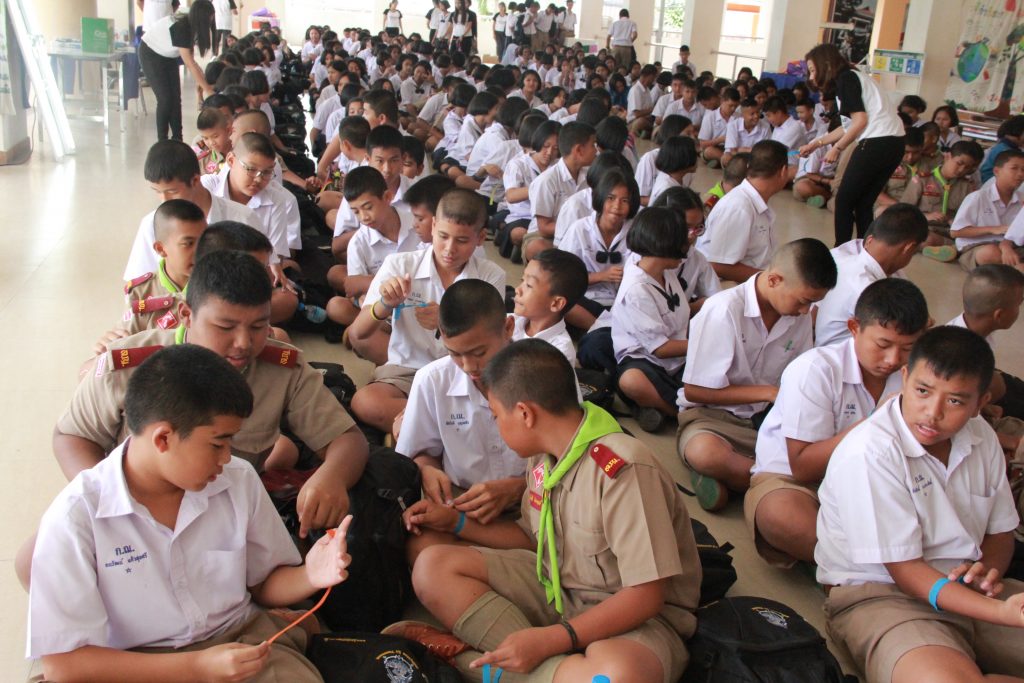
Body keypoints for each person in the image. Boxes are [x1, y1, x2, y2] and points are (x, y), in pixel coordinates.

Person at [27, 345, 354, 682]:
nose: (226, 457)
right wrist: (197, 667)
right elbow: (64, 666)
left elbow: (263, 584)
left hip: (238, 642)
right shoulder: (76, 517)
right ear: (163, 439)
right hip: (131, 665)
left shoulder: (237, 480)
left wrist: (309, 575)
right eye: (217, 444)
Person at [396, 339, 702, 683]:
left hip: (633, 617)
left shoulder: (623, 469)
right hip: (556, 585)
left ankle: (478, 666)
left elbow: (646, 596)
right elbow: (532, 539)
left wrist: (554, 639)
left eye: (496, 416)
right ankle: (549, 669)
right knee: (432, 566)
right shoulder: (543, 458)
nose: (497, 425)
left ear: (525, 414)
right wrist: (456, 522)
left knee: (619, 676)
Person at [815, 326, 1024, 683]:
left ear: (981, 403)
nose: (932, 412)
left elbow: (1001, 531)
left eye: (955, 401)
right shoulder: (870, 451)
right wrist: (999, 613)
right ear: (905, 378)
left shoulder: (982, 438)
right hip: (886, 597)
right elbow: (906, 571)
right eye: (922, 391)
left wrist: (986, 574)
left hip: (969, 591)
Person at [747, 278, 929, 567]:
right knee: (779, 514)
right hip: (798, 483)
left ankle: (849, 567)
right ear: (854, 327)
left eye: (908, 348)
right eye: (883, 344)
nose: (893, 359)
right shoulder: (815, 369)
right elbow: (803, 467)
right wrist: (876, 421)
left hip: (875, 482)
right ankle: (865, 569)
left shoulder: (917, 375)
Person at [678, 239, 838, 511]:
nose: (806, 311)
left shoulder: (798, 316)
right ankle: (775, 486)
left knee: (819, 457)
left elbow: (800, 372)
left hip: (767, 418)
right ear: (774, 280)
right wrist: (767, 393)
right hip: (713, 417)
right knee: (705, 452)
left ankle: (741, 481)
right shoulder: (723, 309)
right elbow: (695, 391)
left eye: (812, 304)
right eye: (803, 301)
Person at [348, 189, 505, 431]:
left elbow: (493, 340)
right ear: (432, 227)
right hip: (408, 371)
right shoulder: (400, 265)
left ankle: (417, 425)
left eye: (462, 241)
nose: (449, 249)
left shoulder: (491, 276)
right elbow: (358, 333)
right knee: (366, 402)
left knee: (508, 402)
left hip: (466, 370)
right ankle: (452, 425)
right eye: (443, 236)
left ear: (481, 237)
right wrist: (385, 304)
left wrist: (446, 322)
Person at [396, 280, 526, 562]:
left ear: (508, 328)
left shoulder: (542, 370)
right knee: (422, 550)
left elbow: (568, 458)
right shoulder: (431, 380)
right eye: (454, 353)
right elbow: (420, 452)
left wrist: (519, 487)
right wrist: (427, 469)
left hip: (535, 498)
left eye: (479, 353)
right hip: (463, 501)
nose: (469, 366)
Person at [799, 43, 906, 245]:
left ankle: (842, 250)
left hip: (877, 141)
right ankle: (865, 250)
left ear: (826, 64)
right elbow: (848, 126)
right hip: (894, 143)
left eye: (813, 70)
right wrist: (816, 143)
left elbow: (860, 122)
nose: (811, 77)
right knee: (863, 203)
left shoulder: (846, 79)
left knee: (844, 201)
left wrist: (837, 148)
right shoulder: (854, 77)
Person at [124, 140, 260, 282]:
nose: (165, 200)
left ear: (195, 180)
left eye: (172, 191)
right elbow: (141, 286)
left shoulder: (243, 218)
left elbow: (258, 276)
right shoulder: (152, 224)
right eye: (158, 192)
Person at [612, 207, 691, 432]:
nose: (688, 245)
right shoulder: (636, 289)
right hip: (648, 360)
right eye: (683, 240)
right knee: (632, 380)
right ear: (665, 244)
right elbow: (660, 349)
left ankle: (650, 409)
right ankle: (680, 415)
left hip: (680, 355)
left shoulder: (666, 272)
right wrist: (704, 344)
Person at [814, 203, 928, 347]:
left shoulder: (855, 257)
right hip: (842, 354)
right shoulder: (865, 286)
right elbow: (904, 329)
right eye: (913, 253)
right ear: (908, 248)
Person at [105, 200, 207, 348]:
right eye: (188, 244)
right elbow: (125, 343)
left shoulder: (217, 284)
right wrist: (110, 343)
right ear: (160, 249)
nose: (200, 251)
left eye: (204, 241)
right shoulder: (141, 292)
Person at [695, 140, 789, 283]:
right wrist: (768, 279)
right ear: (783, 171)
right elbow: (720, 266)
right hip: (726, 288)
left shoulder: (756, 202)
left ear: (749, 166)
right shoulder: (738, 207)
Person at [559, 169, 638, 331]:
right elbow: (562, 277)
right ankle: (604, 329)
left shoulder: (636, 232)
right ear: (600, 198)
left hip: (621, 302)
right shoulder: (579, 229)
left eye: (624, 200)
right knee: (563, 303)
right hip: (585, 300)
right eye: (611, 198)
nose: (617, 206)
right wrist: (601, 276)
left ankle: (604, 331)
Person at [139, 0, 218, 141]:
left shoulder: (192, 26)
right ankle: (162, 140)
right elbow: (190, 64)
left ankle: (177, 138)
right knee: (165, 99)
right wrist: (208, 90)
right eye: (210, 17)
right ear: (201, 16)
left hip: (168, 56)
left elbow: (193, 62)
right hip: (150, 53)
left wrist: (203, 84)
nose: (211, 21)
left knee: (176, 99)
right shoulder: (183, 27)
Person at [524, 121, 596, 261]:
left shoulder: (590, 176)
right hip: (545, 236)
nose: (596, 151)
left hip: (582, 233)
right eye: (593, 145)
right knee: (540, 248)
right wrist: (577, 228)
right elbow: (544, 228)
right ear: (579, 150)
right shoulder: (547, 180)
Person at [901, 140, 984, 262]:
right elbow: (904, 210)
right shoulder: (922, 180)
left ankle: (949, 248)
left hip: (951, 232)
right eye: (959, 163)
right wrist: (926, 216)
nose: (961, 170)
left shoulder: (968, 186)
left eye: (967, 167)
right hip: (926, 228)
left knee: (971, 241)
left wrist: (954, 221)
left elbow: (972, 216)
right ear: (948, 156)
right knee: (925, 238)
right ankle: (952, 249)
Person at [950, 150, 1024, 271]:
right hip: (977, 246)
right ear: (996, 171)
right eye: (1014, 168)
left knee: (1008, 255)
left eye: (1023, 170)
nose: (1020, 174)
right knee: (990, 253)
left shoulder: (1021, 200)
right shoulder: (978, 197)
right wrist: (993, 229)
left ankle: (1015, 270)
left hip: (1009, 246)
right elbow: (955, 232)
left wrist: (1006, 246)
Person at [511, 249, 586, 366]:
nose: (517, 289)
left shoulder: (559, 353)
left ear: (556, 303)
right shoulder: (509, 322)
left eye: (529, 285)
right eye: (522, 280)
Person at [697, 87, 740, 167]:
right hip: (715, 148)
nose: (733, 109)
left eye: (736, 106)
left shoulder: (739, 117)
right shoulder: (710, 117)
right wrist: (721, 139)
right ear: (722, 101)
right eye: (730, 105)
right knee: (709, 151)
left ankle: (722, 162)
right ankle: (730, 163)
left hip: (732, 149)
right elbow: (702, 144)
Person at [722, 97, 769, 167]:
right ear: (743, 115)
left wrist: (745, 150)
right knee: (726, 158)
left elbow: (765, 151)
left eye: (757, 112)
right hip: (736, 156)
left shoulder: (765, 126)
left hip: (755, 157)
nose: (756, 116)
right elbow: (732, 151)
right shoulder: (733, 125)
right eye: (752, 114)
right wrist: (748, 151)